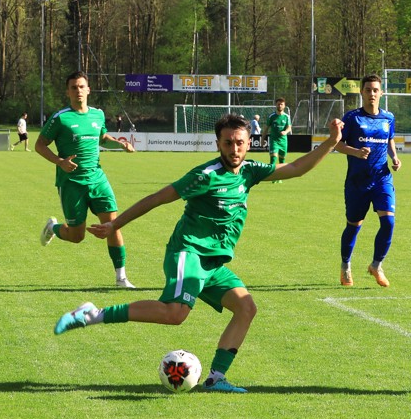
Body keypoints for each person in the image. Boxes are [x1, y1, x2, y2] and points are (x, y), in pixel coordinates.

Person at [52, 115, 346, 394]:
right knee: (175, 313)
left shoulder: (250, 171)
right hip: (188, 252)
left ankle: (217, 378)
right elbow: (157, 198)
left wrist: (331, 142)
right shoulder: (204, 176)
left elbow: (296, 169)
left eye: (240, 142)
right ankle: (93, 314)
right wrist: (115, 223)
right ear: (218, 143)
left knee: (246, 308)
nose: (235, 148)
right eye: (228, 142)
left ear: (249, 143)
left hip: (213, 262)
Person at [36, 71, 137, 289]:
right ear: (67, 92)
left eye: (81, 87)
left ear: (88, 89)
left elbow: (102, 139)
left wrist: (120, 144)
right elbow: (40, 145)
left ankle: (121, 278)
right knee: (76, 236)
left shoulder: (98, 115)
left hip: (98, 179)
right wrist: (60, 161)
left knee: (112, 225)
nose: (78, 91)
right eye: (73, 87)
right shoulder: (60, 118)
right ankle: (53, 228)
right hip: (71, 183)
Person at [335, 74, 401, 288]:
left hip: (382, 178)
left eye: (375, 90)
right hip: (357, 182)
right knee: (354, 226)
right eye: (368, 90)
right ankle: (345, 266)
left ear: (381, 93)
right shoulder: (352, 118)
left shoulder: (388, 117)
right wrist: (355, 152)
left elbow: (389, 139)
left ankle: (376, 265)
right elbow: (337, 144)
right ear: (362, 93)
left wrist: (395, 157)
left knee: (389, 222)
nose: (372, 94)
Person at [264, 98, 292, 167]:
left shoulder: (286, 117)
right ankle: (271, 175)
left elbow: (289, 127)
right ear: (276, 105)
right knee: (273, 159)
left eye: (281, 104)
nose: (280, 106)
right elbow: (266, 129)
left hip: (283, 141)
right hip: (274, 140)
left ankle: (280, 176)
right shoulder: (271, 116)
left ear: (284, 106)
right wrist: (262, 139)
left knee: (282, 161)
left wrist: (285, 132)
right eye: (278, 104)